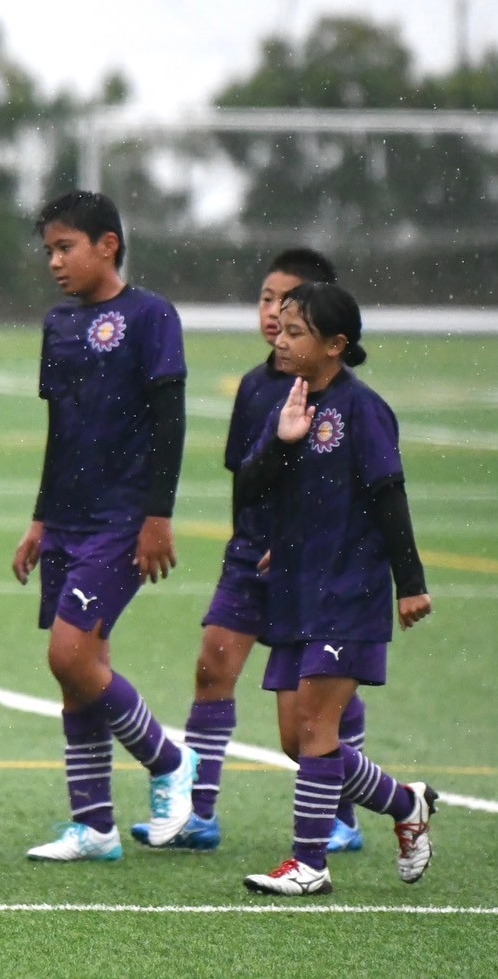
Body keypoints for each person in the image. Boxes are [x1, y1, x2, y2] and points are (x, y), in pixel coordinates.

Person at [129, 248, 369, 853]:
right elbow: (247, 478)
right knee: (213, 665)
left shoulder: (346, 402)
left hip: (313, 566)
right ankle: (199, 813)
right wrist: (248, 542)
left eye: (287, 305)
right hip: (253, 555)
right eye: (266, 300)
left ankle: (343, 815)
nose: (272, 314)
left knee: (322, 697)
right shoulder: (255, 387)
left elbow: (356, 491)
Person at [12, 190, 199, 863]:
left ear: (107, 245)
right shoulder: (58, 323)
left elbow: (170, 422)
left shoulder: (151, 316)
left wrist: (158, 515)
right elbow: (59, 428)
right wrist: (39, 520)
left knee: (68, 655)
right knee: (80, 672)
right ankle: (93, 825)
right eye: (49, 251)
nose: (54, 262)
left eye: (65, 248)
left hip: (122, 517)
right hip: (66, 517)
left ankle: (170, 760)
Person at [238, 282, 435, 896]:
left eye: (296, 332)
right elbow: (251, 487)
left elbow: (388, 495)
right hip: (294, 589)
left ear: (335, 345)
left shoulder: (363, 410)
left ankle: (309, 864)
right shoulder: (290, 403)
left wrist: (410, 583)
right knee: (296, 741)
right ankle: (404, 803)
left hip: (349, 588)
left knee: (318, 727)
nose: (280, 339)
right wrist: (282, 440)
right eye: (281, 328)